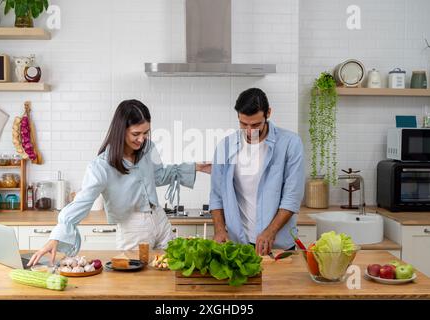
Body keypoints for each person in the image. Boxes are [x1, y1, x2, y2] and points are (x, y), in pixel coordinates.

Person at [28, 99, 210, 266]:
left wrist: (196, 167)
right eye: (136, 134)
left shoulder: (148, 148)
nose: (142, 139)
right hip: (133, 227)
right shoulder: (102, 165)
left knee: (173, 268)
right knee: (137, 282)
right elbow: (82, 201)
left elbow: (159, 176)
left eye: (146, 133)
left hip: (160, 219)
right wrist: (56, 237)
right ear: (121, 130)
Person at [209, 88, 305, 256]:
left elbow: (292, 197)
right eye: (243, 124)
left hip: (277, 244)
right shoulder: (225, 146)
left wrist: (270, 231)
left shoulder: (290, 143)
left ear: (268, 113)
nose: (249, 130)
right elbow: (217, 195)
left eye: (255, 125)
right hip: (238, 244)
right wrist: (219, 229)